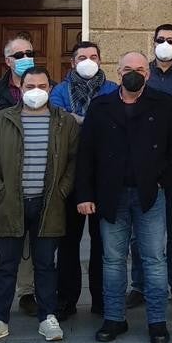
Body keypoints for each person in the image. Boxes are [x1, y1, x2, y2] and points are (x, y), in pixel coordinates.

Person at [77, 52, 172, 343]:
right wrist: (85, 194)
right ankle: (114, 318)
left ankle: (157, 322)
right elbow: (86, 153)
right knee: (112, 260)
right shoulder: (101, 106)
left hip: (150, 194)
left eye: (139, 69)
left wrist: (164, 178)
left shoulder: (165, 104)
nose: (133, 74)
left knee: (153, 260)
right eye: (127, 69)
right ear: (118, 71)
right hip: (111, 195)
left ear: (148, 73)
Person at [0, 67, 78, 343]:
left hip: (49, 205)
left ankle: (47, 317)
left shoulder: (63, 121)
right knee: (6, 265)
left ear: (49, 89)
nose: (36, 91)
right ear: (20, 88)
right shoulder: (3, 119)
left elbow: (73, 160)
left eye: (42, 86)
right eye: (30, 85)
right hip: (11, 204)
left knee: (45, 265)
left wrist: (62, 190)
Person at [50, 41, 116, 321]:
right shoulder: (60, 91)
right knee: (67, 244)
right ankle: (66, 299)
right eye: (82, 57)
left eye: (93, 56)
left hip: (104, 177)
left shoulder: (112, 89)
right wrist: (91, 121)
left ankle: (102, 300)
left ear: (100, 60)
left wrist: (79, 119)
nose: (88, 61)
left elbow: (113, 124)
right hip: (69, 176)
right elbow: (58, 122)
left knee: (103, 244)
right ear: (73, 62)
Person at [131, 24, 172, 309]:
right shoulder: (141, 75)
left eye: (171, 40)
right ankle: (140, 285)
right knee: (140, 232)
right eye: (160, 40)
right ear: (153, 42)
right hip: (144, 170)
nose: (165, 44)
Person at [0, 37, 43, 317]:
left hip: (36, 177)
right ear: (7, 61)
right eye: (18, 54)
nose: (25, 57)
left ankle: (27, 292)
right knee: (2, 243)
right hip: (7, 181)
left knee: (31, 239)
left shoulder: (42, 87)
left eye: (29, 52)